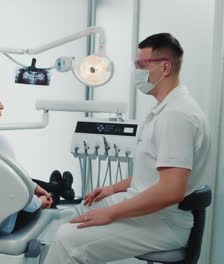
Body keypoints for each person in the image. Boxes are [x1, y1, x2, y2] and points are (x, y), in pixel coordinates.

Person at [44, 33, 211, 263]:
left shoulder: (177, 116)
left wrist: (110, 213)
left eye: (141, 65)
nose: (137, 72)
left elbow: (171, 190)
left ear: (165, 68)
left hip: (161, 223)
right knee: (85, 206)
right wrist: (113, 188)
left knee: (67, 239)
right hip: (148, 210)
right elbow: (152, 174)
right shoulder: (164, 110)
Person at [0, 78, 73, 233]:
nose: (2, 106)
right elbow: (15, 189)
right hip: (1, 222)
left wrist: (35, 188)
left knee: (23, 177)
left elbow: (14, 179)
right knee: (48, 201)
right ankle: (58, 191)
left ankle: (57, 188)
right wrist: (39, 203)